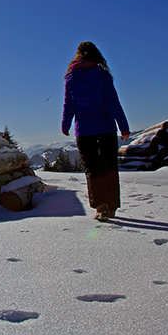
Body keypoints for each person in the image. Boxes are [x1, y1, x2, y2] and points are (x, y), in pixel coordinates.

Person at [61, 41, 130, 222]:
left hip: (84, 131)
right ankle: (112, 206)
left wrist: (65, 125)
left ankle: (101, 207)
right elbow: (113, 102)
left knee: (93, 169)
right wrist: (124, 126)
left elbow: (69, 105)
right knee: (109, 166)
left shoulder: (71, 78)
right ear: (96, 55)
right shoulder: (103, 75)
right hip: (106, 129)